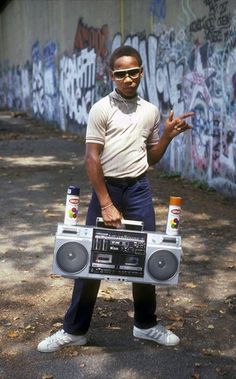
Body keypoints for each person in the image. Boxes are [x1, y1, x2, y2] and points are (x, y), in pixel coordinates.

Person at [37, 45, 194, 353]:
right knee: (90, 259)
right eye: (120, 74)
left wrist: (166, 137)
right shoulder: (101, 109)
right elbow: (91, 158)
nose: (127, 79)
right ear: (112, 76)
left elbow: (150, 158)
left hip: (138, 188)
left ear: (141, 72)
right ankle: (74, 330)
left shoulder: (150, 111)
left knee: (146, 257)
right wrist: (106, 202)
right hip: (106, 189)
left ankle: (146, 325)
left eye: (132, 72)